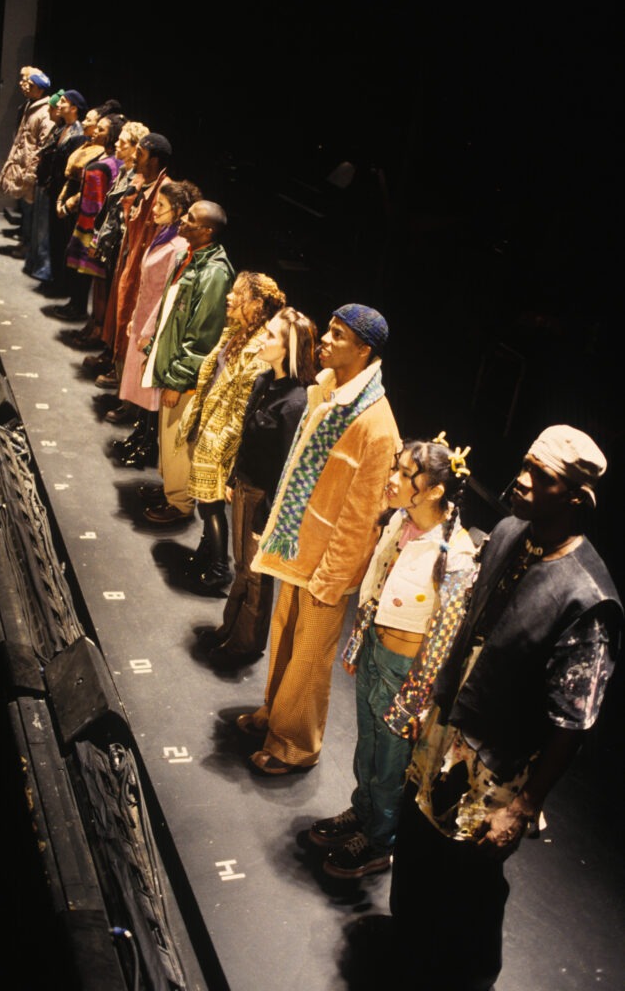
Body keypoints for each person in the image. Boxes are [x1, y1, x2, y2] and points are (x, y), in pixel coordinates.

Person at [354, 424, 622, 991]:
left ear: (574, 498)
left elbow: (572, 720)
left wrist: (524, 805)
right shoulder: (506, 533)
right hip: (446, 728)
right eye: (525, 464)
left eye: (540, 477)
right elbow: (467, 630)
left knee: (468, 882)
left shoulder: (587, 599)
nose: (521, 480)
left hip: (496, 763)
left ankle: (463, 978)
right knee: (419, 848)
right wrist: (429, 705)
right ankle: (409, 953)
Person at [236, 304, 401, 775]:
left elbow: (364, 516)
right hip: (298, 548)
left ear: (364, 350)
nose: (325, 340)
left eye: (337, 334)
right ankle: (274, 715)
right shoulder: (327, 392)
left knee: (310, 661)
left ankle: (295, 744)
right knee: (285, 640)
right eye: (328, 330)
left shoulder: (375, 424)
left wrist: (331, 577)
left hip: (328, 566)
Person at [309, 435, 477, 880]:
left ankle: (381, 840)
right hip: (375, 655)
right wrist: (358, 641)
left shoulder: (454, 554)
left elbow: (444, 636)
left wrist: (419, 696)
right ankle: (362, 813)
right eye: (396, 469)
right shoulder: (399, 523)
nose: (393, 479)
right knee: (367, 746)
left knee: (390, 763)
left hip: (406, 673)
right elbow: (376, 585)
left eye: (406, 474)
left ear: (436, 490)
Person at [201, 307, 317, 667]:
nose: (263, 339)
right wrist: (234, 476)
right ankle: (231, 629)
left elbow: (287, 468)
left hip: (264, 498)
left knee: (256, 575)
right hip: (245, 487)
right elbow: (247, 439)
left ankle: (246, 643)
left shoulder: (296, 401)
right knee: (242, 568)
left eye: (271, 335)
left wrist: (266, 517)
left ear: (288, 348)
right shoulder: (264, 382)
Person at [174, 272, 287, 592]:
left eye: (239, 294)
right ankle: (206, 551)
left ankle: (219, 566)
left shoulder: (258, 350)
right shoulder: (236, 332)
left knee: (210, 504)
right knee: (203, 499)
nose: (229, 298)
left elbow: (242, 410)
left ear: (257, 304)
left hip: (222, 436)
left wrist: (221, 446)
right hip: (208, 423)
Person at [140, 200, 235, 526]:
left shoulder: (214, 273)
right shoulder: (188, 257)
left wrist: (178, 380)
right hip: (171, 366)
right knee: (167, 440)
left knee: (178, 440)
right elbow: (172, 317)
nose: (183, 220)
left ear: (206, 230)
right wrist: (155, 351)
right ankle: (171, 491)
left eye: (191, 219)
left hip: (186, 378)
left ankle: (180, 504)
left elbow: (202, 338)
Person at [109, 179, 201, 451]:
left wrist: (149, 329)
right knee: (140, 384)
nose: (154, 210)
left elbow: (169, 295)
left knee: (151, 388)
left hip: (157, 326)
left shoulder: (179, 246)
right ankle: (140, 436)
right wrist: (136, 315)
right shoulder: (165, 234)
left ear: (178, 209)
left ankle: (147, 445)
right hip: (144, 318)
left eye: (161, 205)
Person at [97, 132, 173, 391]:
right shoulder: (140, 183)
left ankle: (127, 393)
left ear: (154, 160)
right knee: (120, 317)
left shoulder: (165, 191)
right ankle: (117, 373)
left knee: (134, 325)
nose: (134, 157)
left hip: (146, 270)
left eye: (140, 153)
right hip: (129, 260)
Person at [69, 119, 150, 356]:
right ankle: (95, 327)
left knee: (110, 292)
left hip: (119, 244)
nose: (117, 144)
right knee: (100, 286)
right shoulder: (124, 170)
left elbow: (121, 215)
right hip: (107, 240)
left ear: (136, 148)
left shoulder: (136, 176)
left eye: (123, 142)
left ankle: (103, 338)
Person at [56, 113, 125, 330]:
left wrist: (98, 227)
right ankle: (76, 305)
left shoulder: (115, 163)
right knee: (78, 267)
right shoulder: (99, 154)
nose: (95, 131)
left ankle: (91, 321)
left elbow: (108, 196)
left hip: (95, 221)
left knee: (92, 274)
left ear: (112, 135)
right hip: (84, 216)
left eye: (101, 130)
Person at [0, 69, 53, 262]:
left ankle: (28, 247)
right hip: (22, 165)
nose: (24, 86)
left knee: (31, 212)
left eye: (28, 83)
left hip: (30, 170)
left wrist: (32, 172)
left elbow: (43, 146)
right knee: (25, 209)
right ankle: (25, 243)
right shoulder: (30, 106)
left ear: (37, 88)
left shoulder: (45, 113)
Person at [44, 89, 89, 300]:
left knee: (62, 239)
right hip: (55, 191)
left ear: (74, 108)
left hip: (65, 194)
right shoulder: (64, 128)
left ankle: (61, 285)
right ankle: (55, 280)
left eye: (63, 102)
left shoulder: (78, 134)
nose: (58, 104)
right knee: (54, 238)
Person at [26, 88, 65, 287]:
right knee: (38, 227)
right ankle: (37, 264)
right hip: (44, 182)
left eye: (52, 109)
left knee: (44, 230)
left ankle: (44, 268)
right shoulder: (57, 130)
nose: (49, 113)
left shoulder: (66, 131)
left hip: (51, 185)